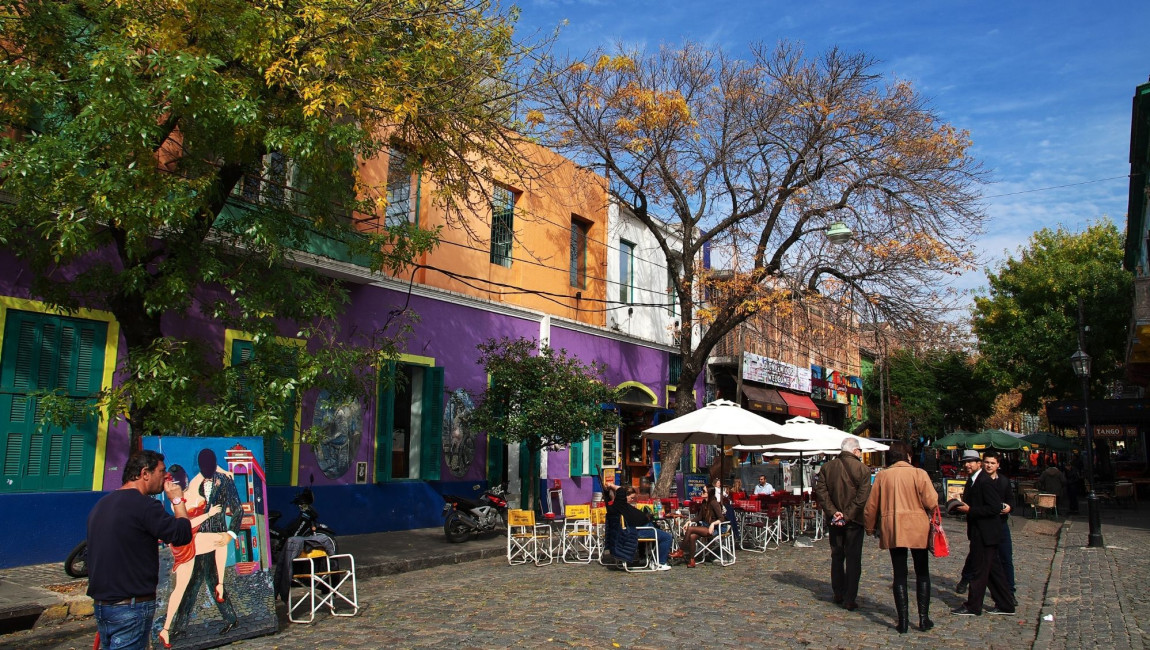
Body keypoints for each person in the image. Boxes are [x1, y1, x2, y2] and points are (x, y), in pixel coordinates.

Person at [86, 450, 193, 650]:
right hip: (131, 606)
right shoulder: (145, 506)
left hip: (104, 605)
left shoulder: (101, 505)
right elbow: (182, 534)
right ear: (145, 473)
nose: (165, 478)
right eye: (161, 472)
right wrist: (178, 501)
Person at [864, 441, 939, 633]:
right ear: (908, 456)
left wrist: (870, 528)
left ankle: (903, 621)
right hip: (918, 528)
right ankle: (923, 618)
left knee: (899, 574)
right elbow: (932, 501)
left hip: (893, 528)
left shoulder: (882, 476)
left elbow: (871, 506)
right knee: (922, 572)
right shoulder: (918, 473)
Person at [171, 449, 243, 636]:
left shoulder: (225, 481)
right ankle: (181, 626)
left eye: (208, 466)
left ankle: (229, 619)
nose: (205, 470)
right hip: (200, 539)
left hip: (217, 538)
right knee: (197, 582)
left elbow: (238, 509)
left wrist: (230, 533)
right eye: (202, 467)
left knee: (211, 581)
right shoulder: (198, 483)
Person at [155, 465, 227, 649]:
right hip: (187, 541)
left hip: (191, 539)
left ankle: (166, 629)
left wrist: (226, 475)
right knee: (180, 588)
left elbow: (209, 466)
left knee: (221, 540)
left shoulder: (193, 486)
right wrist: (209, 515)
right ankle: (166, 627)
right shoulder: (177, 501)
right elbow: (189, 525)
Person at [952, 450, 1015, 616]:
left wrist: (970, 510)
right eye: (965, 462)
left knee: (979, 571)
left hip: (986, 533)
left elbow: (995, 508)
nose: (967, 465)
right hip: (980, 531)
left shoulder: (984, 481)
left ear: (978, 463)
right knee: (994, 572)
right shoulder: (973, 480)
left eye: (971, 461)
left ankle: (973, 606)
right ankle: (1006, 604)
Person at [813, 437, 871, 611]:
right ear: (855, 451)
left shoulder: (827, 468)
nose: (860, 453)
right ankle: (850, 597)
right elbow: (862, 497)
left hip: (834, 520)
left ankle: (838, 592)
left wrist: (834, 513)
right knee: (853, 559)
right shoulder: (863, 469)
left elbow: (821, 493)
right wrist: (847, 515)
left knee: (837, 556)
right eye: (860, 450)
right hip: (854, 521)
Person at [606, 486, 673, 570]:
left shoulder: (624, 506)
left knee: (660, 532)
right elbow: (621, 490)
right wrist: (611, 485)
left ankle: (652, 559)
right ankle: (660, 562)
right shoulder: (620, 504)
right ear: (624, 496)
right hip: (639, 530)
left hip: (644, 527)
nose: (632, 500)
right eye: (631, 497)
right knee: (667, 537)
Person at [668, 487, 724, 568]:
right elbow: (699, 517)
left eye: (704, 491)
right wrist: (689, 521)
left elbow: (721, 518)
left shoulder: (714, 503)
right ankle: (692, 560)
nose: (702, 492)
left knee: (690, 529)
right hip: (705, 526)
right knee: (692, 536)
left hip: (714, 529)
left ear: (709, 493)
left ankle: (680, 551)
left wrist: (713, 524)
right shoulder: (704, 502)